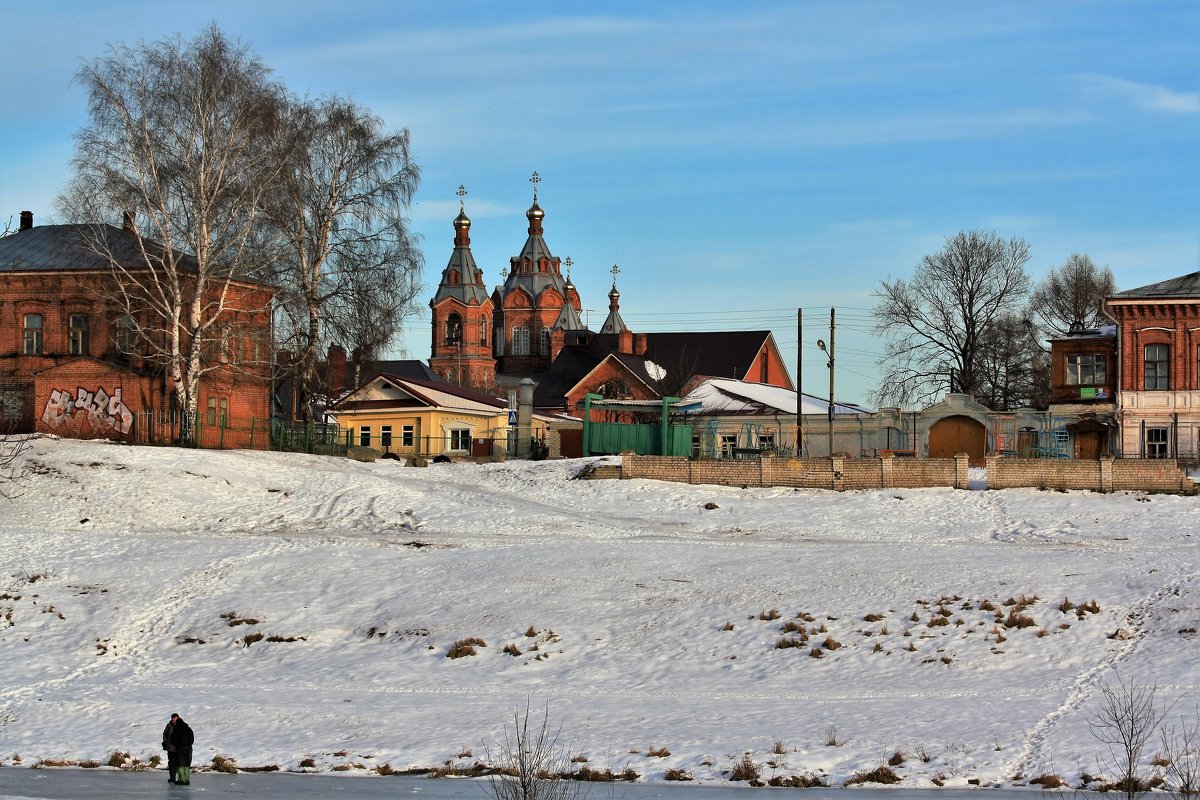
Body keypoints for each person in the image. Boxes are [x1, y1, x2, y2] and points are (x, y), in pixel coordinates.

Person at [170, 714, 195, 785]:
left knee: (180, 764)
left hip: (180, 748)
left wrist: (177, 744)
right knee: (187, 764)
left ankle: (181, 780)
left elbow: (173, 740)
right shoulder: (189, 729)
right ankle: (186, 780)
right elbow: (192, 740)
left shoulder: (176, 729)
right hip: (189, 748)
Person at [162, 713, 178, 783]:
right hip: (171, 748)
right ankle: (172, 778)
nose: (174, 721)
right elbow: (165, 734)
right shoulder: (169, 726)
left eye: (175, 719)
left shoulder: (181, 725)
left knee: (178, 763)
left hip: (178, 748)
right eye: (173, 719)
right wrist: (166, 741)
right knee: (171, 763)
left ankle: (181, 778)